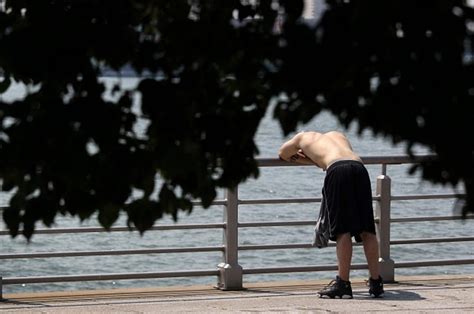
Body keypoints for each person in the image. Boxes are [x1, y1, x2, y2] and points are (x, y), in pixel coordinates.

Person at [278, 131, 384, 298]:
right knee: (367, 229)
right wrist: (317, 159)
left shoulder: (302, 137)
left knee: (342, 229)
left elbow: (283, 154)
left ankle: (343, 283)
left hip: (337, 170)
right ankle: (376, 282)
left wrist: (308, 159)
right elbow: (338, 155)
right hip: (359, 168)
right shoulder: (338, 135)